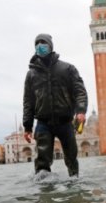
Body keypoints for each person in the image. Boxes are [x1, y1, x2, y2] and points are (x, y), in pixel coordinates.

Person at [22, 33, 88, 177]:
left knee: (71, 159)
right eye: (37, 43)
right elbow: (28, 101)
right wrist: (27, 126)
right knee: (42, 163)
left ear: (50, 46)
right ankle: (45, 192)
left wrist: (81, 111)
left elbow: (80, 92)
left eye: (43, 42)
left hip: (65, 122)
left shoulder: (68, 69)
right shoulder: (31, 75)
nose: (40, 45)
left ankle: (75, 185)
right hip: (43, 123)